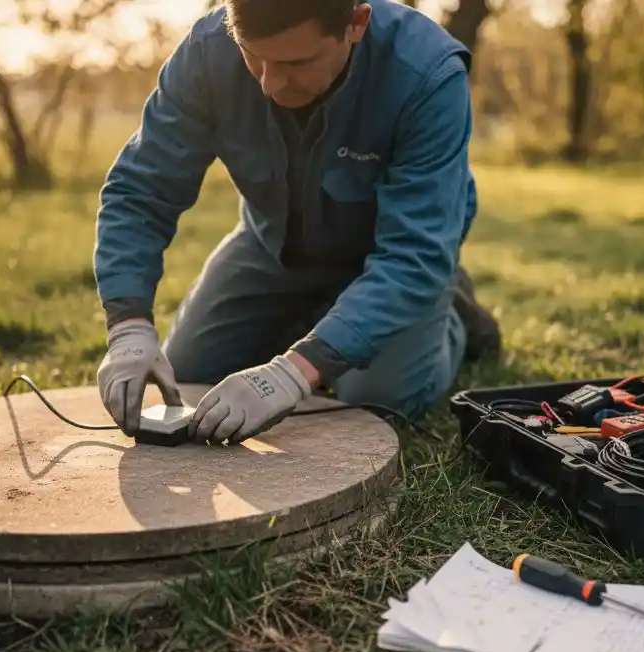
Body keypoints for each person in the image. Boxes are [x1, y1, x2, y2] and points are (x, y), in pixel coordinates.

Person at [92, 0, 500, 445]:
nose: (269, 84)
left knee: (375, 402)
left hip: (394, 262)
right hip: (273, 246)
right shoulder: (206, 53)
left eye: (295, 63)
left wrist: (293, 373)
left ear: (356, 24)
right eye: (252, 56)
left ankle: (452, 316)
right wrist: (128, 326)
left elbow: (415, 252)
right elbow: (141, 190)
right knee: (189, 375)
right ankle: (324, 320)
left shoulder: (427, 75)